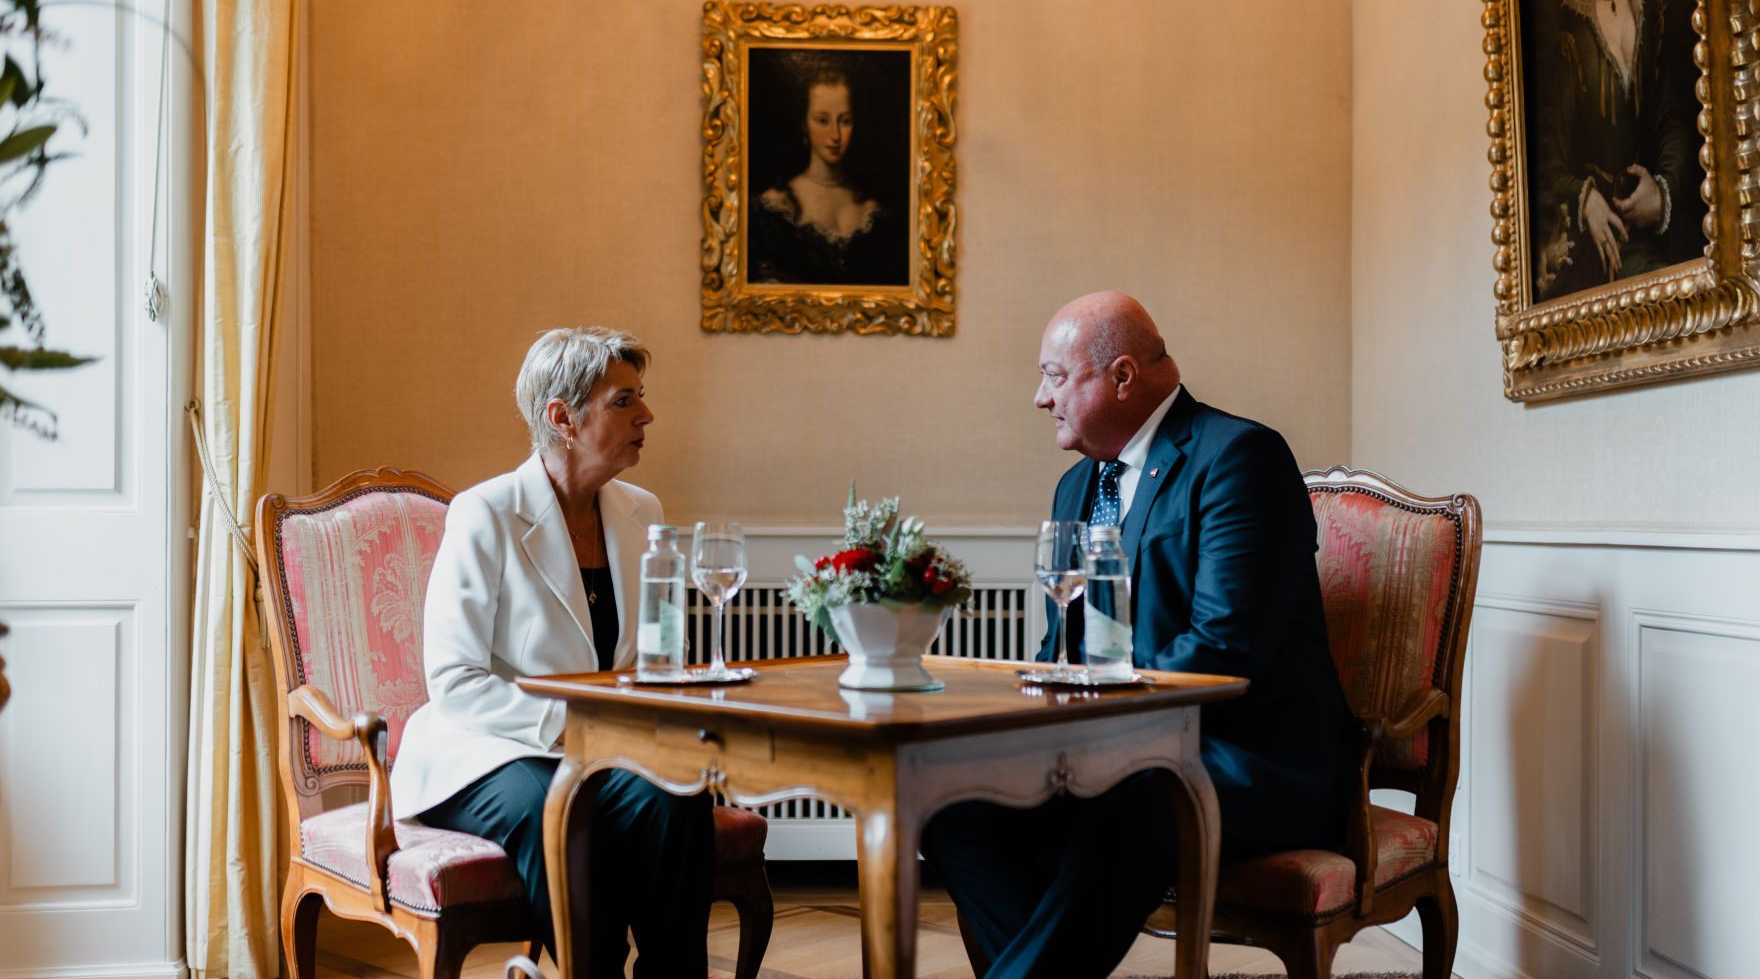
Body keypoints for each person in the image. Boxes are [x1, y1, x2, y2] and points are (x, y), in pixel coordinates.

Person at [921, 292, 1352, 979]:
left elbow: (1224, 648)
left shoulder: (1240, 457)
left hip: (1247, 760)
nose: (1039, 397)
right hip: (1118, 754)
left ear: (1121, 377)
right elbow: (1057, 653)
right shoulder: (1074, 488)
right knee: (951, 805)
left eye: (1054, 376)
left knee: (1128, 799)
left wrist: (1091, 724)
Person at [389, 326, 713, 975]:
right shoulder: (486, 512)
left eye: (641, 397)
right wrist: (581, 728)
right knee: (559, 805)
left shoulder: (641, 510)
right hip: (486, 747)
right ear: (561, 416)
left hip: (604, 743)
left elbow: (653, 656)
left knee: (678, 796)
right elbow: (454, 679)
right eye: (625, 400)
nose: (646, 414)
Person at [1531, 0, 1699, 300]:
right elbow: (1550, 161)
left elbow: (1674, 114)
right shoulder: (1571, 24)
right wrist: (1586, 200)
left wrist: (1663, 190)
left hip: (1668, 230)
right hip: (1603, 246)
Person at [749, 60, 909, 286]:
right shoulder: (777, 206)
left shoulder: (873, 211)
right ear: (804, 124)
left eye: (845, 121)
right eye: (822, 121)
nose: (835, 135)